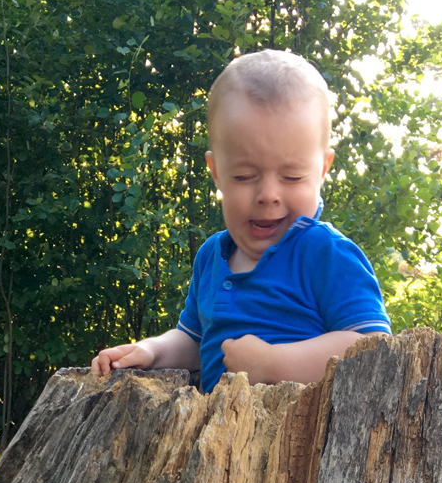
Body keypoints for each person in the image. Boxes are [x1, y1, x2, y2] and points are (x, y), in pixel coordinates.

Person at [90, 49, 391, 392]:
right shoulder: (211, 258)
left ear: (322, 170)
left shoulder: (325, 254)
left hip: (305, 438)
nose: (268, 194)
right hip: (221, 435)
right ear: (216, 172)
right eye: (245, 176)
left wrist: (274, 363)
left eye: (292, 177)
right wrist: (151, 351)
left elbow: (373, 348)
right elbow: (195, 339)